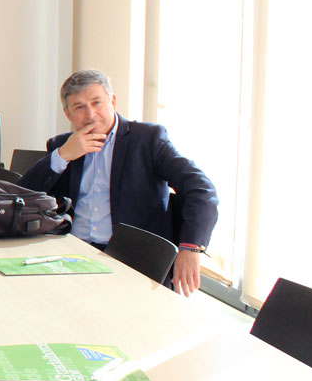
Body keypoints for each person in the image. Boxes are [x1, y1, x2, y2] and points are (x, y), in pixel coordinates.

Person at [18, 69, 218, 296]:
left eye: (97, 103)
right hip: (71, 253)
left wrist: (190, 247)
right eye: (79, 107)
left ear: (112, 101)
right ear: (68, 114)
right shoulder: (63, 145)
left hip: (130, 260)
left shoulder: (147, 140)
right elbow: (22, 196)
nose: (90, 114)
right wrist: (62, 155)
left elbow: (201, 188)